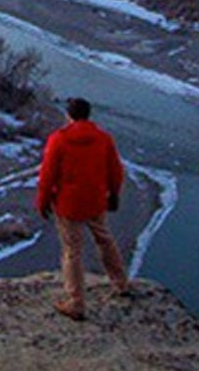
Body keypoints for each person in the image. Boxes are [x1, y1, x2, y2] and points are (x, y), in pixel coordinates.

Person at [36, 96, 130, 320]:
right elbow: (116, 170)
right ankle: (121, 283)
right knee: (105, 239)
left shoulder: (59, 139)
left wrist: (42, 201)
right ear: (88, 115)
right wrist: (114, 194)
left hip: (68, 203)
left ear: (68, 115)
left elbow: (47, 175)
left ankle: (76, 302)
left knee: (72, 251)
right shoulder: (103, 138)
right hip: (96, 199)